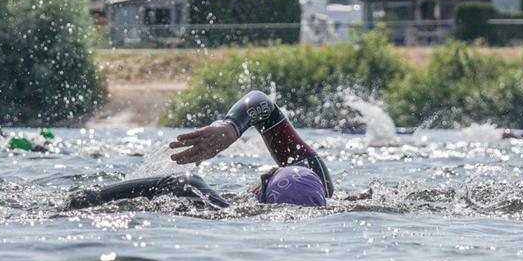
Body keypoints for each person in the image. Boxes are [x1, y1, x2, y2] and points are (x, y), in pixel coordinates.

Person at [67, 90, 334, 210]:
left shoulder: (221, 209)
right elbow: (263, 102)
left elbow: (184, 181)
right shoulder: (315, 185)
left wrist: (76, 200)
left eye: (268, 176)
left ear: (260, 195)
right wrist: (230, 126)